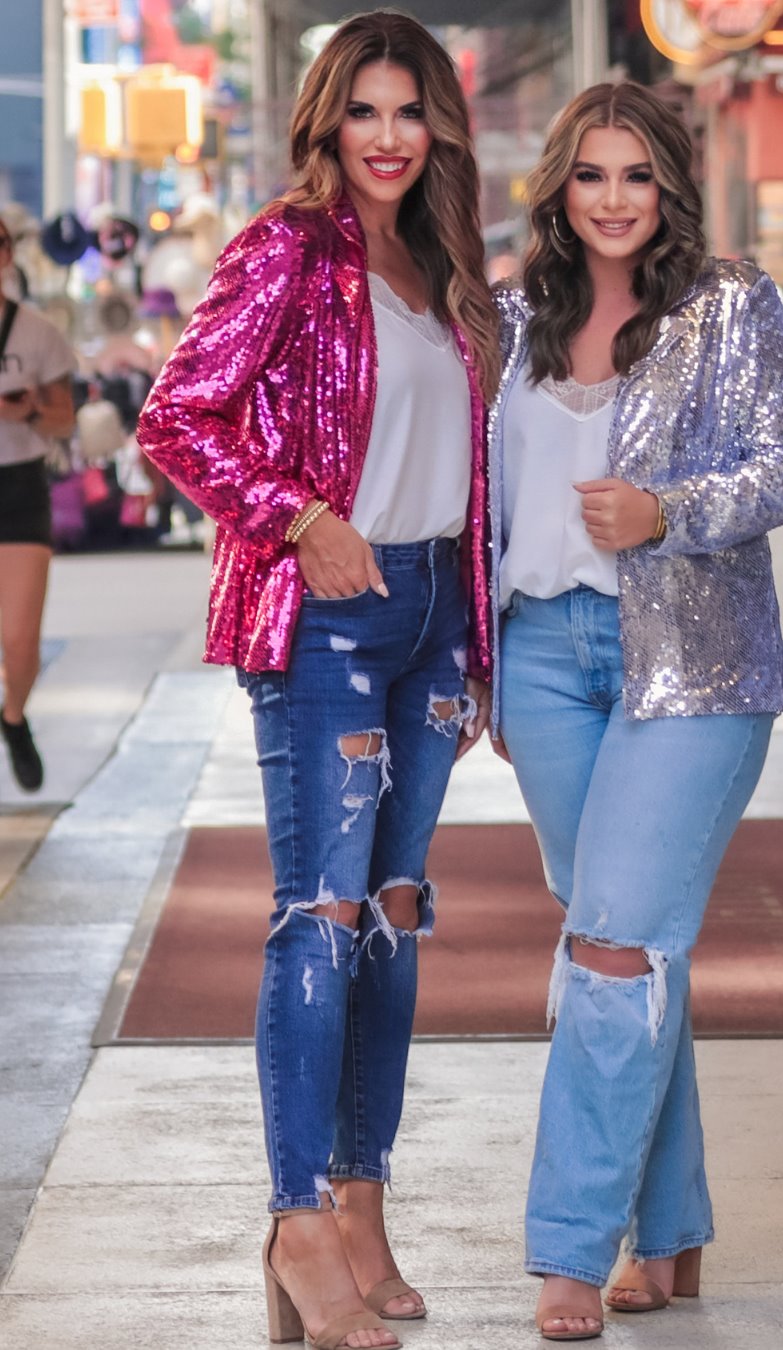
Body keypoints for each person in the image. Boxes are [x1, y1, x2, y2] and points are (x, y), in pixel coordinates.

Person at [137, 13, 498, 1349]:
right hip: (329, 617)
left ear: (438, 126)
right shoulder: (288, 246)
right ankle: (298, 1224)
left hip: (432, 618)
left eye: (412, 112)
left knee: (396, 914)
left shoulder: (441, 261)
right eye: (367, 111)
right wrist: (297, 517)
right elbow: (177, 413)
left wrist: (483, 636)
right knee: (323, 914)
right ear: (327, 122)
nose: (390, 137)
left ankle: (361, 1202)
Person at [488, 82, 783, 1341]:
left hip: (694, 663)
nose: (615, 199)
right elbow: (489, 505)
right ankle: (670, 1233)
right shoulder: (513, 320)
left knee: (614, 949)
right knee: (620, 943)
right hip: (544, 659)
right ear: (559, 188)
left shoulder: (731, 305)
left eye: (637, 174)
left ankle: (573, 1251)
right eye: (590, 174)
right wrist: (479, 664)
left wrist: (669, 509)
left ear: (669, 183)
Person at [0, 215, 76, 792]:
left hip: (19, 486)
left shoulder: (37, 333)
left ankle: (14, 715)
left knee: (21, 641)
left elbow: (65, 420)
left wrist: (24, 410)